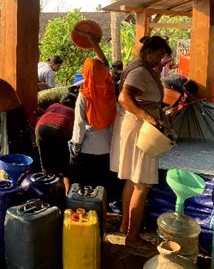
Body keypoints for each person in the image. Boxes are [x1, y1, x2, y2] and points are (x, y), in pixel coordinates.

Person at [110, 36, 172, 249]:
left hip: (135, 126)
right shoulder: (138, 71)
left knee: (132, 180)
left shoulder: (142, 69)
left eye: (162, 56)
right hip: (140, 130)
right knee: (142, 184)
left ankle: (125, 227)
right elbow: (124, 98)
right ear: (147, 51)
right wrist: (148, 117)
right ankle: (133, 237)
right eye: (157, 54)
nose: (159, 59)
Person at [69, 57, 116, 189]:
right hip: (107, 147)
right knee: (102, 187)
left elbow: (79, 124)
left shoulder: (85, 95)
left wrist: (75, 146)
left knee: (85, 187)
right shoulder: (110, 92)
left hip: (88, 148)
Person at [35, 93, 76, 192]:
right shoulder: (73, 111)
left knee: (46, 163)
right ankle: (67, 194)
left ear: (61, 102)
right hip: (62, 129)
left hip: (41, 128)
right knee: (67, 165)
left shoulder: (53, 105)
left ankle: (47, 191)